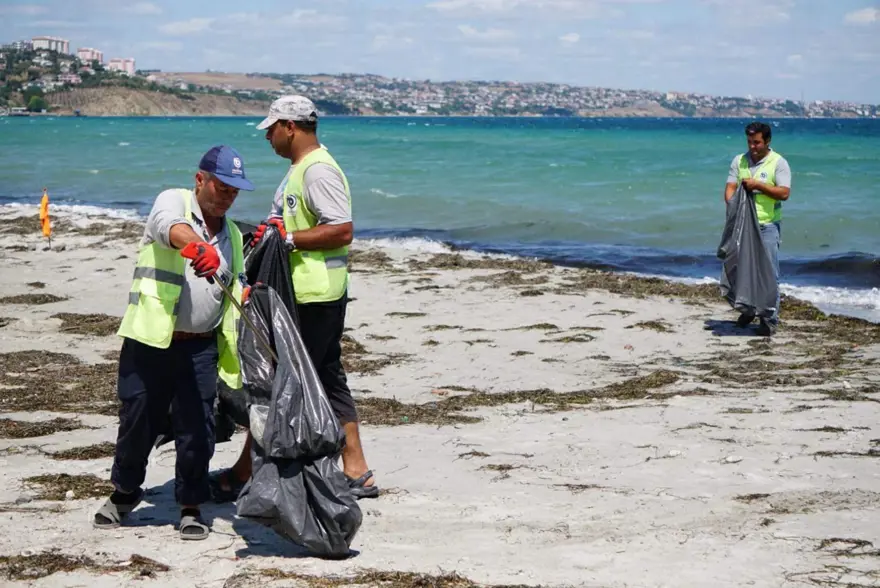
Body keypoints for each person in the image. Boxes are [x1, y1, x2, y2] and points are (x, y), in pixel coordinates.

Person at [210, 95, 379, 500]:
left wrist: (284, 238)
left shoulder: (317, 170)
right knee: (326, 374)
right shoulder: (301, 170)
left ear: (291, 126)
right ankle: (356, 470)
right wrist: (271, 231)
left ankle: (246, 471)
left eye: (271, 128)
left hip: (310, 295)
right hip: (314, 291)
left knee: (277, 383)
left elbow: (341, 230)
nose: (268, 136)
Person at [93, 145, 254, 540]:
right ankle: (124, 493)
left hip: (200, 348)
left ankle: (190, 505)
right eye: (221, 186)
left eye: (235, 191)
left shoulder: (233, 234)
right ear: (200, 180)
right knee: (137, 421)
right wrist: (197, 247)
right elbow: (168, 226)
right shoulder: (174, 201)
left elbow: (237, 289)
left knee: (197, 429)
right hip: (151, 339)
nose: (228, 196)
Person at [724, 121, 791, 336]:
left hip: (767, 225)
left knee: (769, 273)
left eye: (757, 142)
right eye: (750, 142)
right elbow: (730, 188)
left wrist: (758, 186)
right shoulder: (739, 161)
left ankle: (768, 318)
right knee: (742, 268)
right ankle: (747, 309)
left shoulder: (778, 163)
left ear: (767, 141)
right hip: (743, 225)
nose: (752, 147)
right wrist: (734, 206)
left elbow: (784, 193)